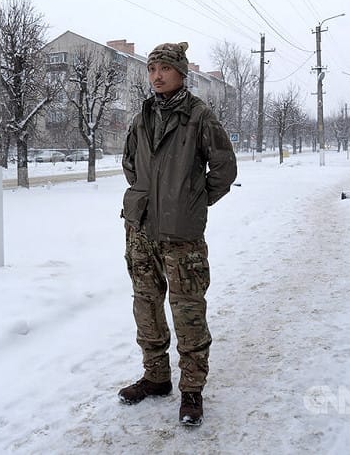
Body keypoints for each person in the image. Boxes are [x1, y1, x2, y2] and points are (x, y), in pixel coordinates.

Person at [118, 41, 237, 426]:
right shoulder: (143, 115)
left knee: (187, 311)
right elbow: (129, 161)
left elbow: (224, 168)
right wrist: (143, 197)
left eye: (163, 69)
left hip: (181, 233)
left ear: (181, 73)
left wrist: (192, 201)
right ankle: (155, 378)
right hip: (141, 229)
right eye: (151, 69)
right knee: (146, 307)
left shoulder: (198, 115)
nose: (156, 76)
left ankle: (191, 390)